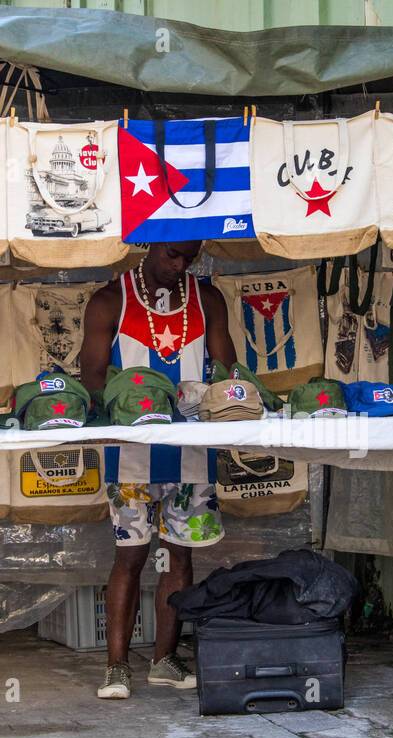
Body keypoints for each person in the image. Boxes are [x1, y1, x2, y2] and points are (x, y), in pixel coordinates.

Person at [80, 241, 237, 700]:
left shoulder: (208, 299)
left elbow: (227, 374)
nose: (180, 265)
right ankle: (115, 667)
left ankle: (164, 661)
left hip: (191, 448)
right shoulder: (111, 299)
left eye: (190, 258)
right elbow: (91, 378)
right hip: (131, 452)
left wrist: (216, 393)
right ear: (149, 246)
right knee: (130, 555)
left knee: (181, 553)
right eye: (172, 255)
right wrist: (139, 400)